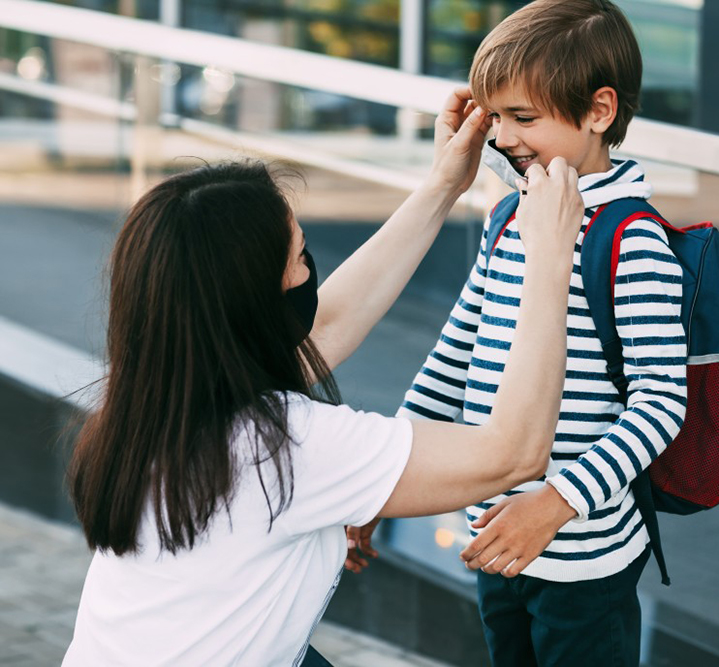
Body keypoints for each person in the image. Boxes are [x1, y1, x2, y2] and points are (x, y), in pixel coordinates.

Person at [61, 87, 585, 666]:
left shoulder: (160, 398)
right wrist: (550, 257)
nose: (312, 272)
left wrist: (443, 186)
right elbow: (512, 453)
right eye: (302, 257)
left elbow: (325, 324)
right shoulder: (280, 446)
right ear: (255, 304)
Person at [387, 2, 689, 665]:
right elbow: (451, 360)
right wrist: (379, 486)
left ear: (599, 111)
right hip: (496, 540)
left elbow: (662, 401)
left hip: (584, 561)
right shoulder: (508, 219)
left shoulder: (630, 241)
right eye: (493, 116)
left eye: (524, 118)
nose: (502, 137)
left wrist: (555, 503)